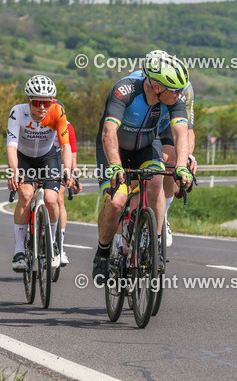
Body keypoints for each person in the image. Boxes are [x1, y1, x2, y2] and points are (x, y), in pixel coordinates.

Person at [92, 53, 193, 282]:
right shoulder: (124, 90)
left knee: (156, 181)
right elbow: (109, 132)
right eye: (175, 90)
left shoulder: (174, 99)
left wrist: (181, 166)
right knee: (116, 202)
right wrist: (116, 166)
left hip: (147, 145)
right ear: (157, 86)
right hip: (113, 147)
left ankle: (154, 246)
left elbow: (181, 133)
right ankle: (103, 253)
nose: (180, 95)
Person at [126, 49, 198, 248]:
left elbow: (186, 131)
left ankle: (162, 214)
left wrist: (188, 158)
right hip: (140, 126)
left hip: (165, 125)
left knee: (172, 160)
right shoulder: (134, 84)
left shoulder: (184, 89)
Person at [6, 75, 71, 272]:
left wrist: (67, 169)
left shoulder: (57, 112)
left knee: (52, 199)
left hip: (47, 157)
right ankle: (19, 251)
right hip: (23, 158)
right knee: (26, 195)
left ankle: (52, 245)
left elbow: (65, 145)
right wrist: (14, 171)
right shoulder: (18, 112)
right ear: (29, 101)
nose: (42, 107)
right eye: (37, 102)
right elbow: (11, 145)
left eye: (47, 102)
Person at [56, 119, 81, 266]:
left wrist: (75, 177)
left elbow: (72, 156)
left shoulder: (67, 126)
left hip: (59, 162)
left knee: (58, 199)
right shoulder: (37, 122)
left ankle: (60, 245)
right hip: (37, 160)